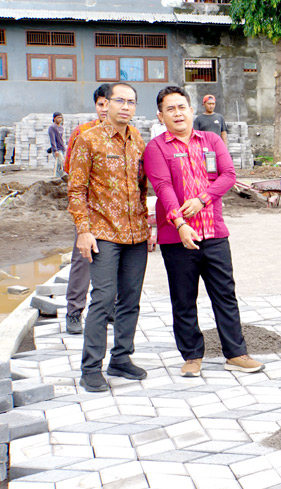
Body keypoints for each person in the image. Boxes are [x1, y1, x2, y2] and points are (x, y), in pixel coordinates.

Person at [144, 86, 264, 377]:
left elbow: (229, 175)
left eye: (181, 107)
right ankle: (192, 356)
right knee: (183, 298)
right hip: (177, 238)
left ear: (191, 110)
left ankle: (236, 353)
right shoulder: (156, 148)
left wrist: (202, 199)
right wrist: (180, 224)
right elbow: (163, 188)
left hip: (214, 233)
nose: (177, 113)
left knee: (225, 294)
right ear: (161, 116)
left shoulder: (211, 140)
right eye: (170, 109)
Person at [68, 82, 149, 392]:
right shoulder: (88, 139)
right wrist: (83, 231)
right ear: (107, 103)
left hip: (137, 234)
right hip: (102, 233)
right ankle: (90, 368)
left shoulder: (138, 140)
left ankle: (121, 358)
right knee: (103, 299)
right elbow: (76, 189)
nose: (125, 106)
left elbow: (143, 188)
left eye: (131, 101)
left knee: (130, 300)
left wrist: (147, 225)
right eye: (120, 100)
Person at [63, 84, 111, 335]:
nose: (104, 109)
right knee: (83, 259)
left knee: (115, 261)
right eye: (100, 104)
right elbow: (72, 172)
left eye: (108, 103)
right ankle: (74, 312)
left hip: (117, 212)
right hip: (89, 210)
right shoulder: (82, 132)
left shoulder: (129, 133)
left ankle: (110, 308)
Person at [48, 112, 65, 177]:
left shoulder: (61, 127)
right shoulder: (52, 127)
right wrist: (55, 150)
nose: (60, 119)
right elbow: (52, 139)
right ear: (54, 118)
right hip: (57, 149)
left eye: (61, 117)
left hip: (62, 148)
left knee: (61, 165)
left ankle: (61, 178)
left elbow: (60, 138)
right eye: (58, 117)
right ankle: (57, 179)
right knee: (59, 165)